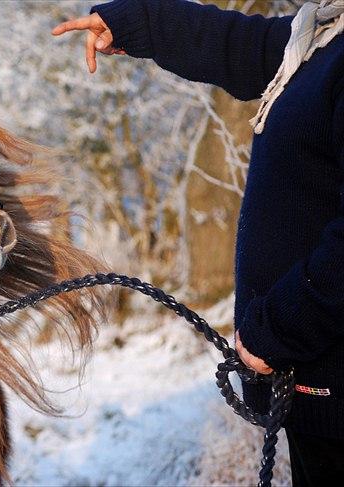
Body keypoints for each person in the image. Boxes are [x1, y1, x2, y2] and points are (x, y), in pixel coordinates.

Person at [52, 0, 344, 484]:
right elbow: (238, 45)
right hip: (317, 385)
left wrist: (278, 331)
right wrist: (138, 22)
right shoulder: (321, 40)